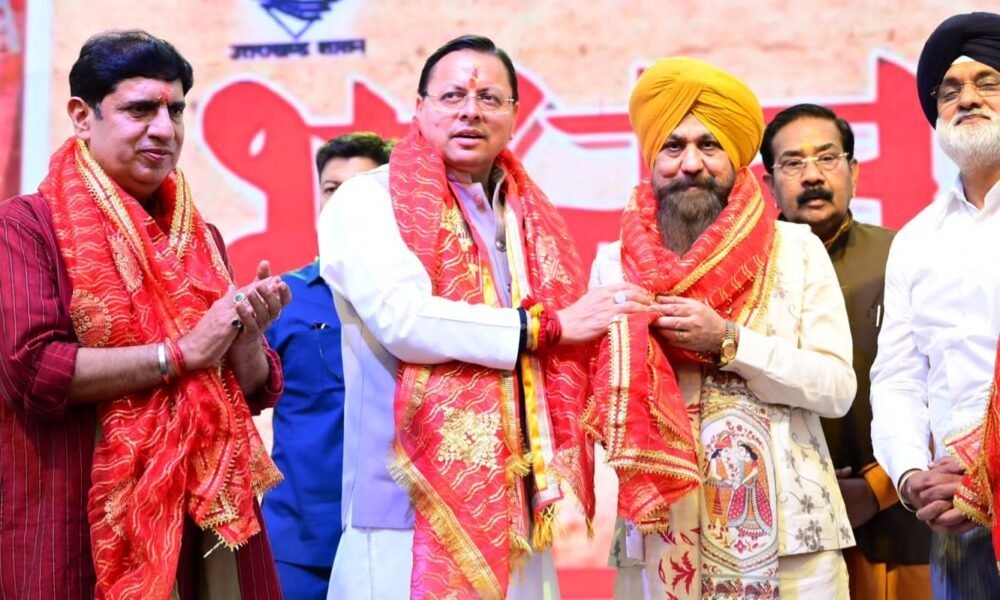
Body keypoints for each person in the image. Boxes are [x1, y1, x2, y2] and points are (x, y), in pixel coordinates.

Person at [318, 34, 649, 599]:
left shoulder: (527, 217)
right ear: (419, 108)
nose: (470, 110)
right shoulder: (367, 200)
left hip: (513, 508)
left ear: (515, 116)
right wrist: (543, 328)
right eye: (452, 96)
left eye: (489, 98)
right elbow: (403, 321)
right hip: (404, 510)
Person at [0, 30, 290, 599]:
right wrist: (180, 355)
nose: (164, 129)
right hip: (75, 513)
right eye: (140, 110)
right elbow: (32, 369)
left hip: (204, 520)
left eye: (175, 110)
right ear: (82, 117)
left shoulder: (200, 239)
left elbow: (252, 389)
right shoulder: (26, 228)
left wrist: (244, 339)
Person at [589, 57, 857, 598]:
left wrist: (731, 343)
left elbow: (836, 390)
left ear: (735, 158)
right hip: (658, 538)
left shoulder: (796, 250)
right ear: (652, 159)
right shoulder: (614, 264)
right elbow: (604, 404)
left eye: (709, 145)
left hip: (793, 548)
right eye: (673, 146)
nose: (691, 163)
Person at [762, 103, 931, 600]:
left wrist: (879, 487)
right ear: (769, 182)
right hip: (785, 535)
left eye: (827, 158)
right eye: (793, 162)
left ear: (854, 171)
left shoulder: (902, 257)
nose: (812, 175)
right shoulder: (748, 273)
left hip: (899, 524)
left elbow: (940, 383)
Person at [870, 11, 1000, 598]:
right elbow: (898, 377)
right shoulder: (916, 240)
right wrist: (911, 476)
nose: (966, 99)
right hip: (955, 512)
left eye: (987, 82)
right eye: (950, 91)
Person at [262, 132, 390, 599]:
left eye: (357, 190)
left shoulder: (417, 305)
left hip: (393, 537)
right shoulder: (283, 298)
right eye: (332, 189)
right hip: (299, 539)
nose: (341, 203)